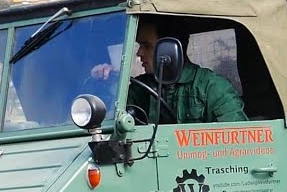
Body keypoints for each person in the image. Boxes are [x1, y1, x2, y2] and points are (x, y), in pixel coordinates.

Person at [97, 21, 247, 123]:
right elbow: (110, 114)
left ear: (169, 50)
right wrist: (105, 80)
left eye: (146, 45)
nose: (139, 53)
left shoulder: (212, 88)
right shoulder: (142, 88)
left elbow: (238, 141)